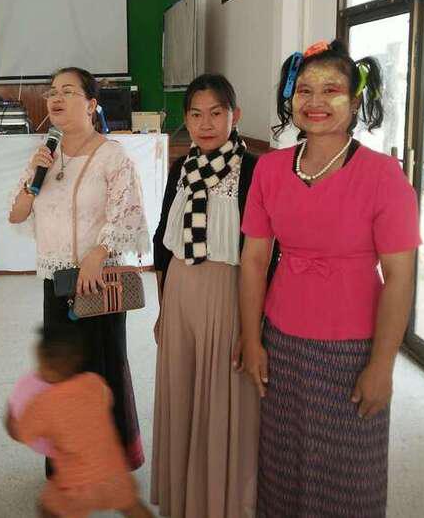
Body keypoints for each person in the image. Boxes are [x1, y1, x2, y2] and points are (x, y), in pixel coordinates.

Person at [238, 40, 421, 517]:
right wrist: (252, 339)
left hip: (353, 346)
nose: (315, 101)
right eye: (304, 90)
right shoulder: (270, 169)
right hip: (282, 339)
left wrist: (382, 366)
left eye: (331, 90)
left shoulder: (384, 176)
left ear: (356, 101)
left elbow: (400, 277)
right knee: (283, 464)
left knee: (347, 474)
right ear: (290, 98)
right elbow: (254, 260)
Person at [9, 67, 151, 471]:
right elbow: (17, 214)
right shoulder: (44, 155)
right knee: (64, 375)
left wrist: (98, 252)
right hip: (58, 283)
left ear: (91, 104)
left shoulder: (112, 155)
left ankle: (106, 466)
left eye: (68, 91)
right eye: (52, 92)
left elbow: (128, 212)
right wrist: (33, 180)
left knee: (100, 373)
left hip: (97, 282)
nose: (56, 98)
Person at [150, 75, 274, 518]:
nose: (206, 124)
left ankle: (223, 501)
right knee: (183, 393)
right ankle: (185, 497)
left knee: (225, 397)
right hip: (180, 294)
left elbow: (267, 254)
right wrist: (162, 310)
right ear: (185, 120)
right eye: (196, 115)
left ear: (234, 116)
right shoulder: (180, 170)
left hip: (229, 294)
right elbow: (162, 246)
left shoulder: (254, 171)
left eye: (216, 113)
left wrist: (255, 324)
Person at [6, 326, 154, 518]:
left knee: (48, 509)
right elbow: (106, 400)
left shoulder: (42, 404)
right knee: (132, 506)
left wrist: (11, 414)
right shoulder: (95, 383)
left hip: (74, 485)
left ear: (46, 365)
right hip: (114, 474)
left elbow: (20, 433)